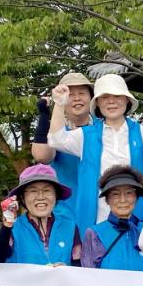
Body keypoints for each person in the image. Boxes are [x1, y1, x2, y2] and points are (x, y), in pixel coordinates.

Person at [48, 73, 143, 233]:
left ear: (127, 100)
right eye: (104, 97)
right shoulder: (86, 135)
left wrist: (137, 187)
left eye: (117, 96)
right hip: (95, 217)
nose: (111, 101)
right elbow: (56, 140)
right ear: (97, 103)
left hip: (135, 212)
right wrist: (60, 104)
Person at [31, 72, 94, 200]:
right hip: (65, 211)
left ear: (92, 98)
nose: (77, 98)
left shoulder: (104, 128)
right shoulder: (56, 131)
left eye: (82, 93)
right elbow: (42, 156)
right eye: (70, 94)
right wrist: (44, 116)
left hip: (100, 208)